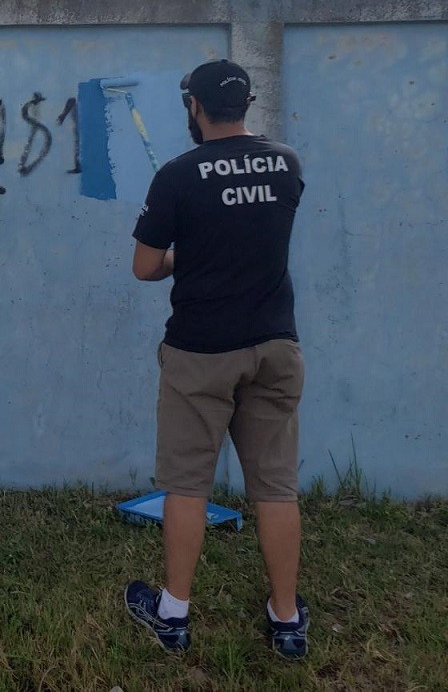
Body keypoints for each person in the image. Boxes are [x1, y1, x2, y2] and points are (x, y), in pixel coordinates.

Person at [123, 59, 308, 659]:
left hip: (201, 351)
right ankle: (286, 619)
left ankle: (173, 613)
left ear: (194, 107)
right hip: (275, 344)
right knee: (275, 487)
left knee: (186, 485)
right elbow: (255, 237)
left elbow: (145, 266)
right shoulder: (287, 164)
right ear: (247, 103)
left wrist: (184, 256)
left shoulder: (177, 175)